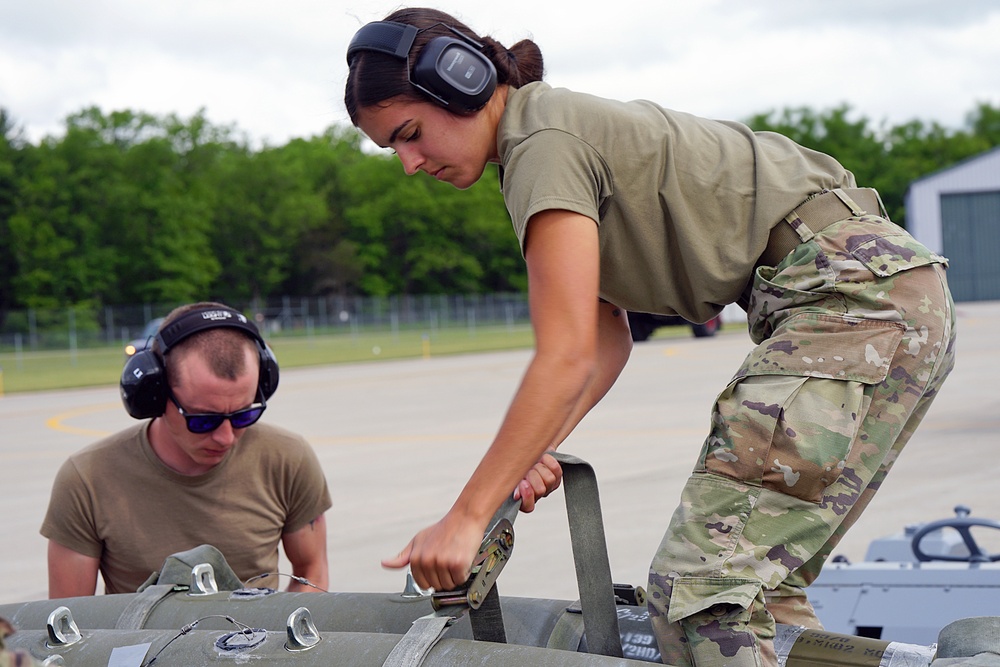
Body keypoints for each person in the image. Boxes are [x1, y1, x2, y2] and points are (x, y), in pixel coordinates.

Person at [344, 8, 956, 667]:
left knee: (701, 594)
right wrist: (528, 456)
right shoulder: (549, 133)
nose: (408, 163)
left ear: (460, 81)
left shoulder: (542, 145)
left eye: (409, 134)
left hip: (849, 303)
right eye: (392, 149)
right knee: (760, 589)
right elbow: (607, 340)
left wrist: (466, 517)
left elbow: (567, 352)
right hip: (885, 296)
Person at [41, 302, 332, 597]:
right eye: (204, 420)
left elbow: (311, 573)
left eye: (244, 415)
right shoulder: (87, 479)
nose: (226, 437)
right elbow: (72, 620)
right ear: (155, 395)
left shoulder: (289, 459)